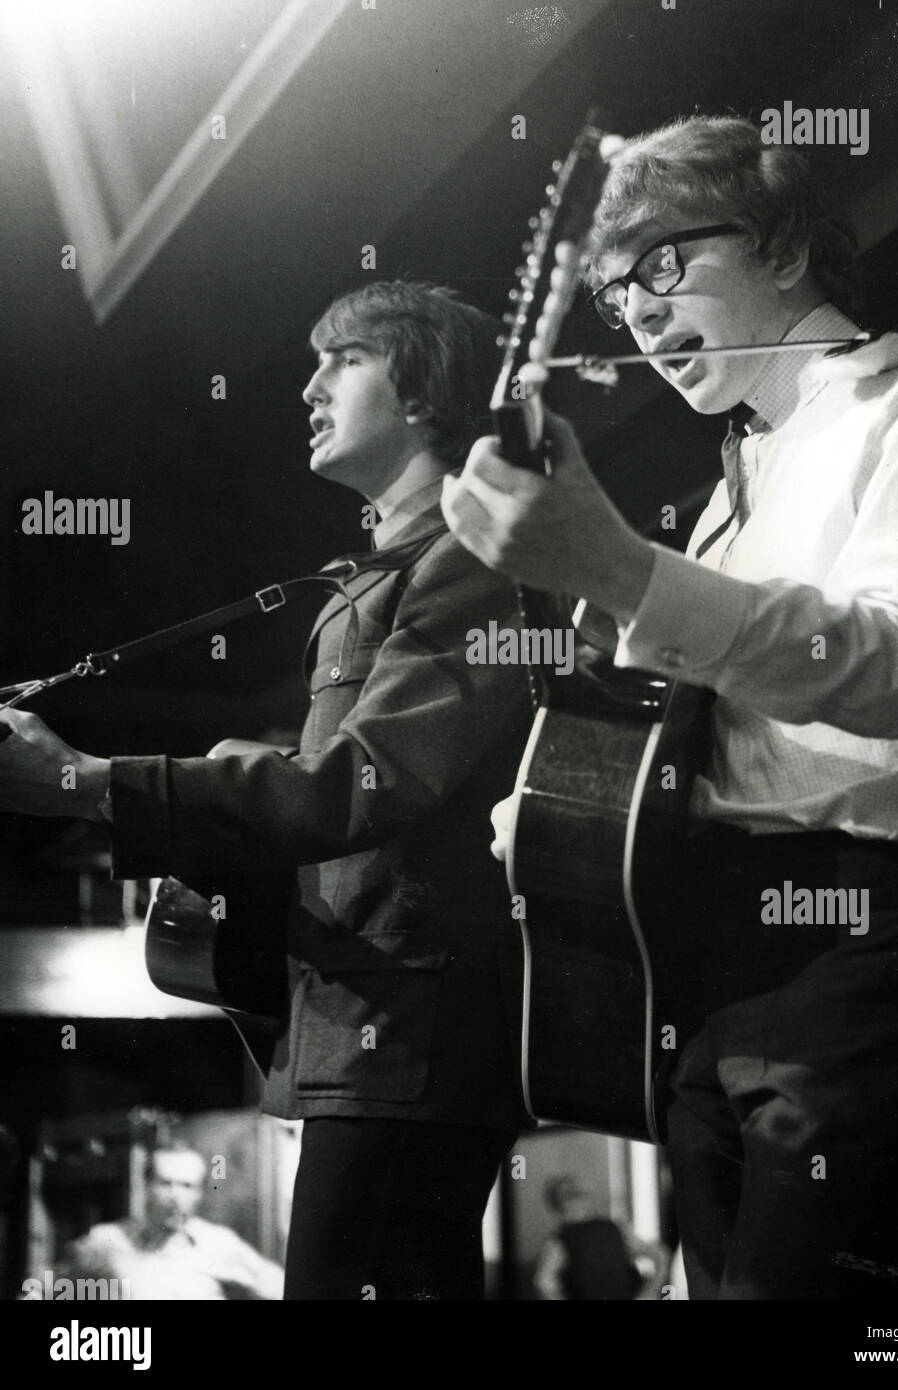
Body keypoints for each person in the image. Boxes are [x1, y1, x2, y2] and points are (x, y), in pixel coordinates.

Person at [442, 115, 898, 1299]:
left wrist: (617, 568)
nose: (641, 311)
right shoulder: (729, 495)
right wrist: (543, 807)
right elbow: (671, 735)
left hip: (868, 938)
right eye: (615, 294)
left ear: (779, 243)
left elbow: (895, 668)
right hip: (713, 957)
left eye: (663, 262)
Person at [0, 280, 531, 1299]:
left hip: (409, 1036)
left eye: (346, 359)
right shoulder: (375, 577)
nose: (309, 386)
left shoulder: (471, 564)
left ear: (423, 396)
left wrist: (84, 781)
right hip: (359, 1026)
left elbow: (354, 788)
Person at [32, 1144, 284, 1301]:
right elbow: (44, 1289)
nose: (176, 1196)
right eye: (166, 1183)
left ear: (199, 1194)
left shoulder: (219, 1243)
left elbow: (282, 1289)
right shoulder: (107, 1240)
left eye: (187, 1186)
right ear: (147, 1186)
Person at [532, 1174, 667, 1300]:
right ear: (559, 1206)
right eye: (569, 1197)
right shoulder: (559, 1241)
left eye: (577, 1195)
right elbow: (543, 1282)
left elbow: (660, 1256)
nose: (576, 1202)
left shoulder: (614, 1229)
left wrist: (647, 1294)